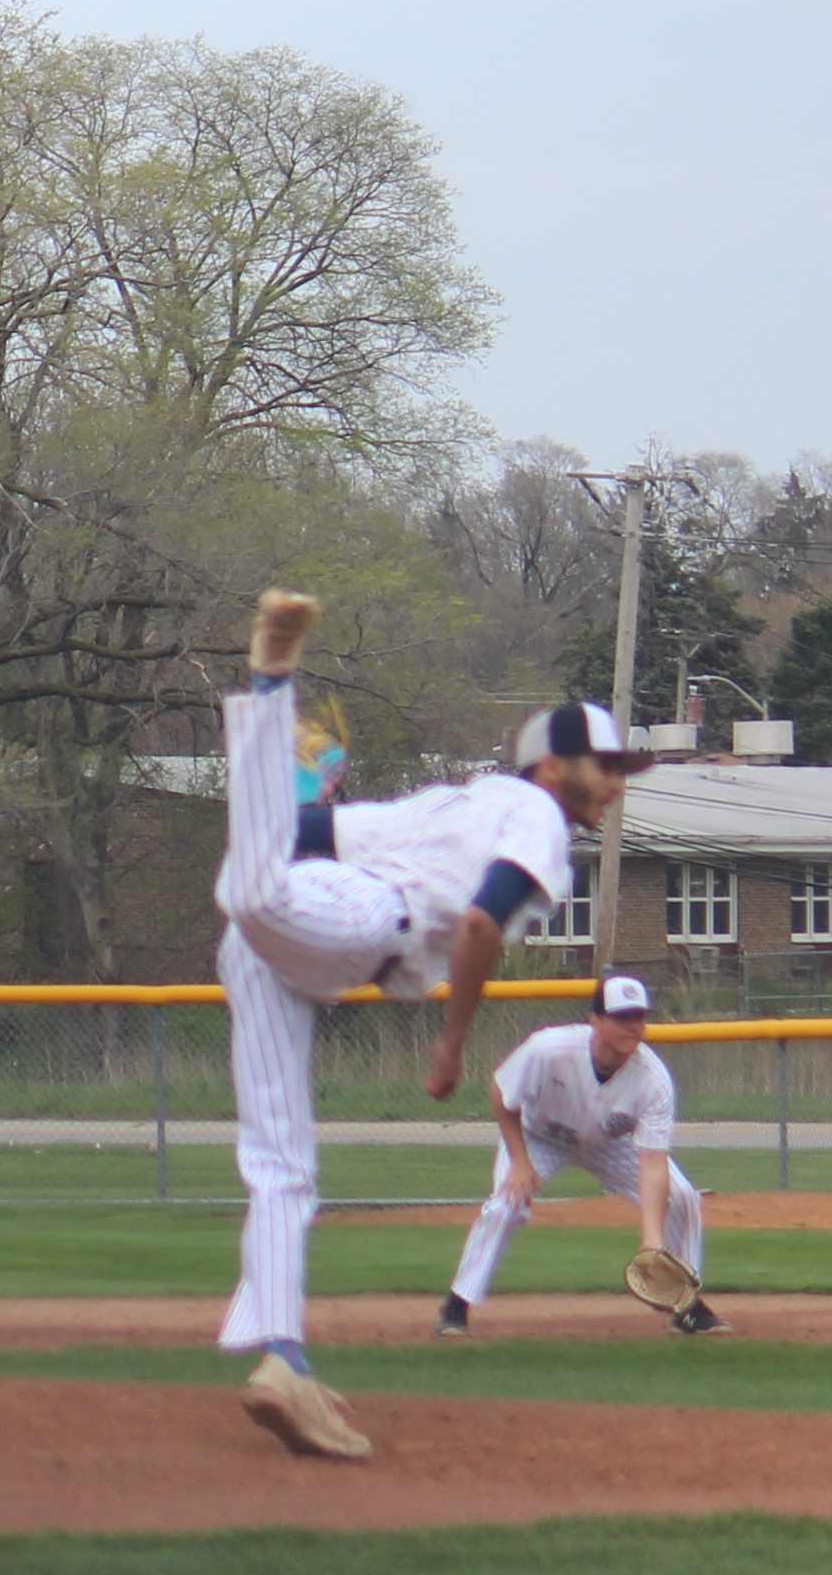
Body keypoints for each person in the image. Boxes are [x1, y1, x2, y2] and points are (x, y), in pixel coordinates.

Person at [213, 587, 651, 1458]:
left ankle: (283, 1361)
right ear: (556, 763)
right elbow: (483, 924)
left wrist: (290, 805)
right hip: (365, 921)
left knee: (282, 1165)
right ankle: (270, 681)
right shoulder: (537, 817)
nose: (614, 785)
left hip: (288, 948)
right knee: (254, 889)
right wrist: (451, 1044)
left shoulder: (455, 803)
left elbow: (312, 825)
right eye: (606, 766)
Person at [438, 971, 717, 1335]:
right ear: (595, 1022)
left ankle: (685, 1305)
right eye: (621, 1018)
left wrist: (652, 1240)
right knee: (506, 1202)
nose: (634, 1026)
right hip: (540, 1136)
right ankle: (456, 1305)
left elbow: (653, 1163)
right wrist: (520, 1162)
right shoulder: (549, 1049)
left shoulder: (653, 1078)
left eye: (639, 1017)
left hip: (609, 1143)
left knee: (682, 1198)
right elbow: (501, 1093)